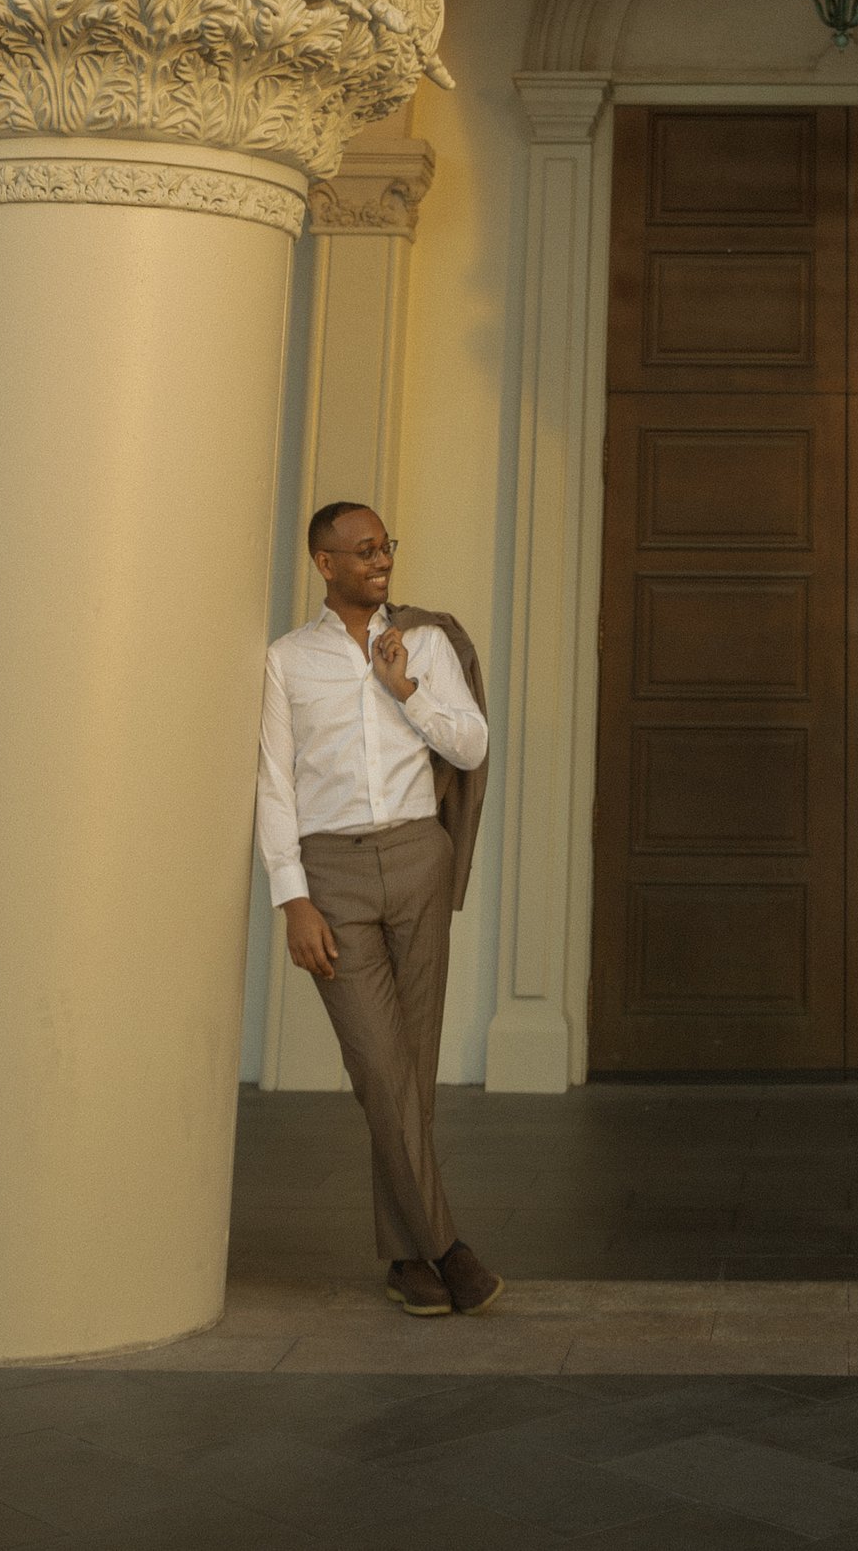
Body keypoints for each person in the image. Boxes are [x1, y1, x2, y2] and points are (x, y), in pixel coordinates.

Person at [255, 499, 502, 1318]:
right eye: (362, 551)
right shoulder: (287, 661)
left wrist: (409, 693)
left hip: (418, 856)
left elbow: (471, 746)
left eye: (385, 545)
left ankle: (405, 1261)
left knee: (411, 1071)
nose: (380, 559)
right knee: (379, 1066)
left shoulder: (425, 643)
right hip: (333, 875)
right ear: (324, 564)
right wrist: (293, 898)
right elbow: (275, 786)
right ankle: (447, 1247)